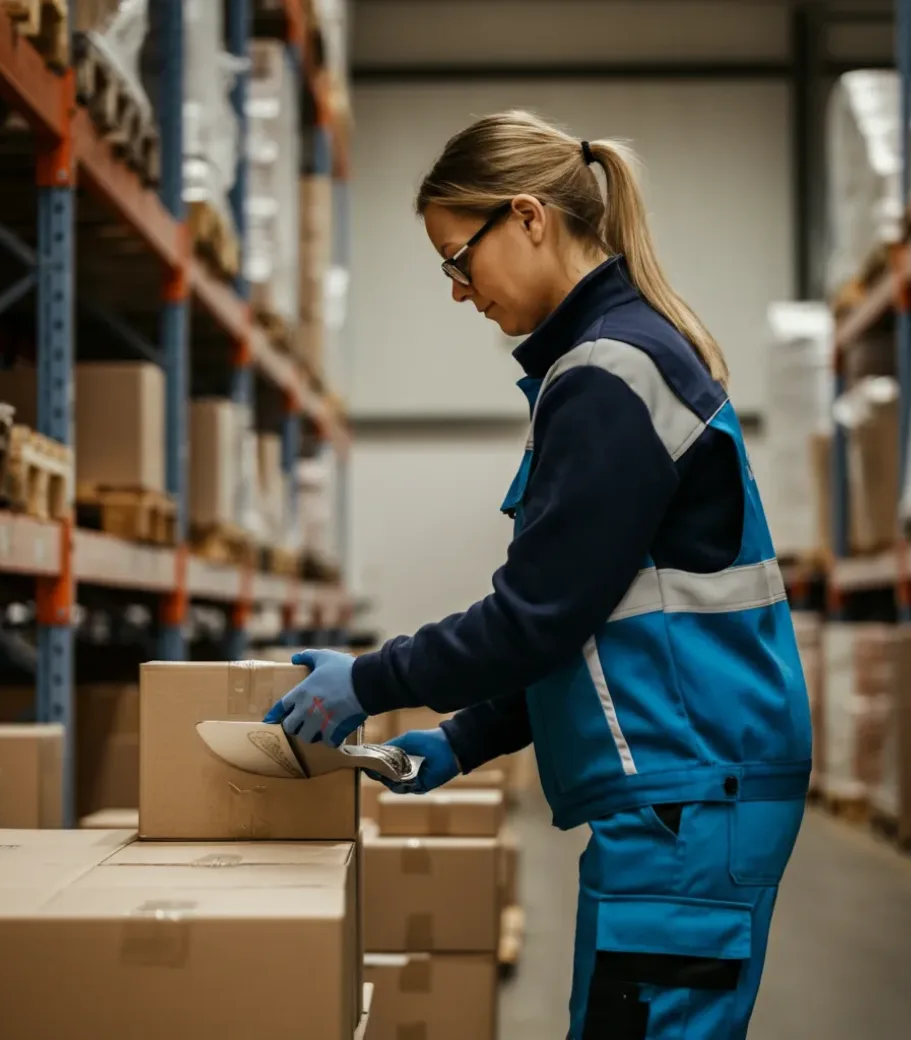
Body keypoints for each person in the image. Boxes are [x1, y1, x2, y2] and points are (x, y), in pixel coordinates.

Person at [265, 110, 812, 1040]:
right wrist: (467, 737)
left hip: (689, 797)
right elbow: (596, 623)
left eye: (457, 258)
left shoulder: (607, 373)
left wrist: (369, 680)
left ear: (527, 217)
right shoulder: (608, 362)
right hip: (685, 791)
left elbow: (536, 618)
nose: (457, 290)